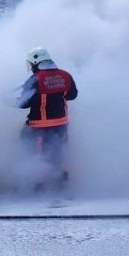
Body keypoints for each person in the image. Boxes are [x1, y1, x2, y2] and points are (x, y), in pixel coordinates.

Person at [16, 46, 78, 183]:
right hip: (61, 124)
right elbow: (72, 95)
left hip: (39, 126)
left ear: (35, 62)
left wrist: (6, 101)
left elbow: (23, 103)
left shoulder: (35, 80)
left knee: (37, 153)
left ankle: (40, 187)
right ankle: (63, 183)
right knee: (60, 152)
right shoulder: (65, 75)